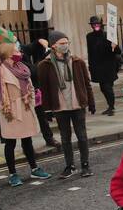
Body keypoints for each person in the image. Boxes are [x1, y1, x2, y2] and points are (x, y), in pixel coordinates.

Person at [0, 42, 50, 187]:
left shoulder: (22, 68)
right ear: (8, 54)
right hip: (10, 112)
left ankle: (34, 168)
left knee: (27, 140)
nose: (19, 53)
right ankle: (13, 174)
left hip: (25, 107)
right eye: (16, 50)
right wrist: (5, 108)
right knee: (10, 143)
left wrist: (32, 101)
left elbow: (31, 87)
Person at [35, 31, 94, 179]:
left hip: (77, 105)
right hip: (60, 107)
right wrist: (46, 109)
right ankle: (70, 166)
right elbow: (44, 88)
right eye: (62, 43)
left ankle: (85, 165)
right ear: (53, 45)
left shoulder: (78, 62)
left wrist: (91, 102)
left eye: (67, 42)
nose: (65, 45)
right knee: (65, 138)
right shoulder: (45, 65)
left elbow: (87, 84)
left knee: (82, 136)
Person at [24, 36, 58, 148]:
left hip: (34, 89)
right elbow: (33, 70)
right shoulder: (12, 59)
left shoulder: (22, 50)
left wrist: (40, 41)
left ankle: (49, 138)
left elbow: (34, 45)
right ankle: (27, 146)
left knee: (42, 116)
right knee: (26, 120)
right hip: (23, 93)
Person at [86, 15, 120, 116]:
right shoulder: (89, 37)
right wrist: (90, 66)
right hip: (97, 66)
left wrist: (115, 46)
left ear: (101, 24)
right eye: (93, 24)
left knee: (107, 87)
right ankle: (110, 105)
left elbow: (118, 51)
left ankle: (111, 106)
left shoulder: (108, 35)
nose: (96, 25)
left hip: (109, 65)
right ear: (91, 26)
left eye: (97, 24)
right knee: (103, 87)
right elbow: (90, 52)